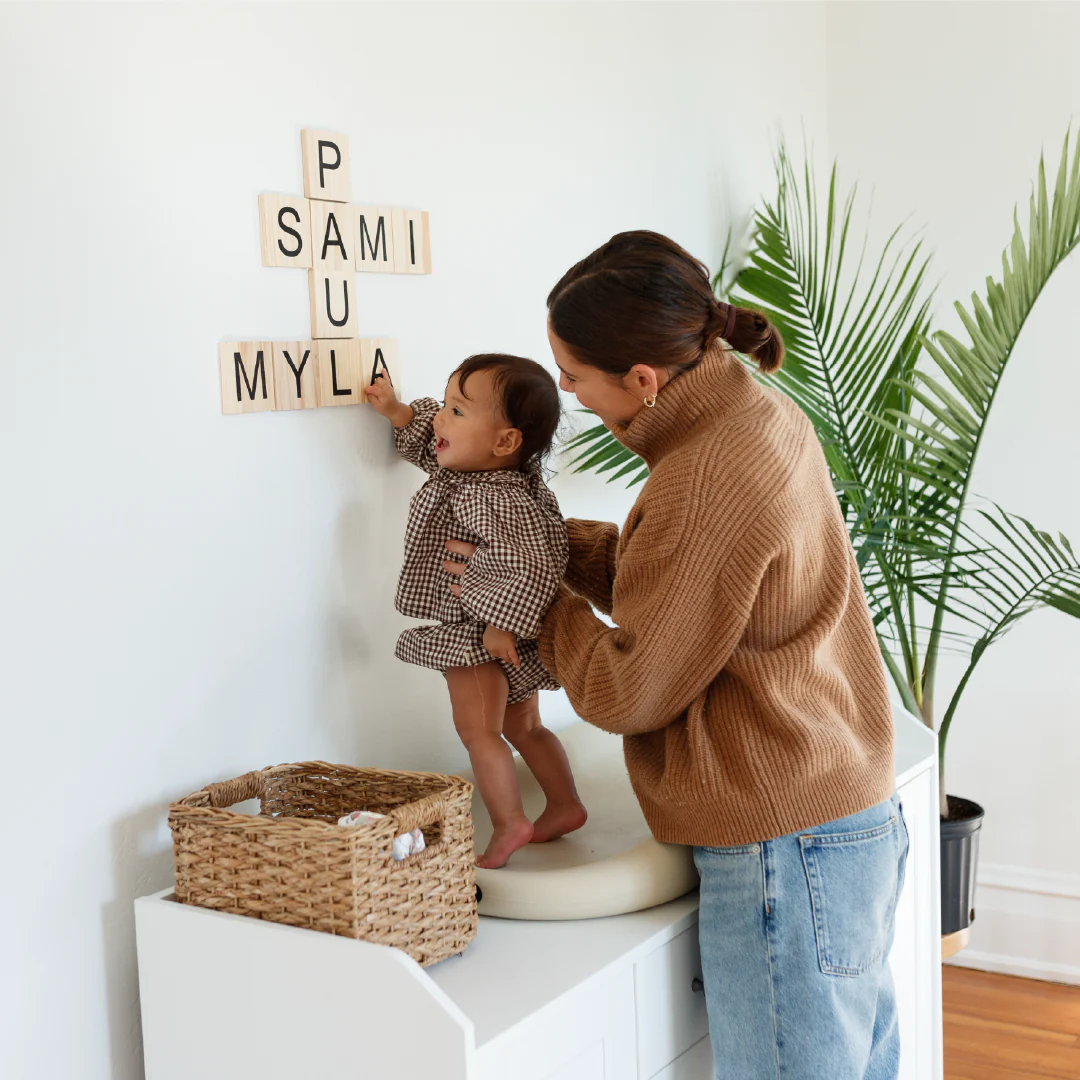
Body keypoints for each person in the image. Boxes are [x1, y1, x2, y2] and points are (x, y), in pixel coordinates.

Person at [443, 233, 909, 1078]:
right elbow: (692, 590)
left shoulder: (705, 476)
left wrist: (538, 604)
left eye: (575, 379)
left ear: (644, 381)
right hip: (842, 816)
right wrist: (553, 547)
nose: (573, 399)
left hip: (783, 844)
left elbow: (630, 689)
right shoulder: (753, 411)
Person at [366, 354, 587, 869]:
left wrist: (498, 622)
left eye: (457, 411)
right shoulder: (496, 476)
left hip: (480, 633)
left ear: (504, 441)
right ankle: (565, 804)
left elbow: (530, 562)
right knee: (524, 727)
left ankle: (510, 822)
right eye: (444, 404)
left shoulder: (493, 500)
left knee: (478, 731)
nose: (440, 419)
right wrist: (400, 412)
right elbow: (437, 451)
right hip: (501, 629)